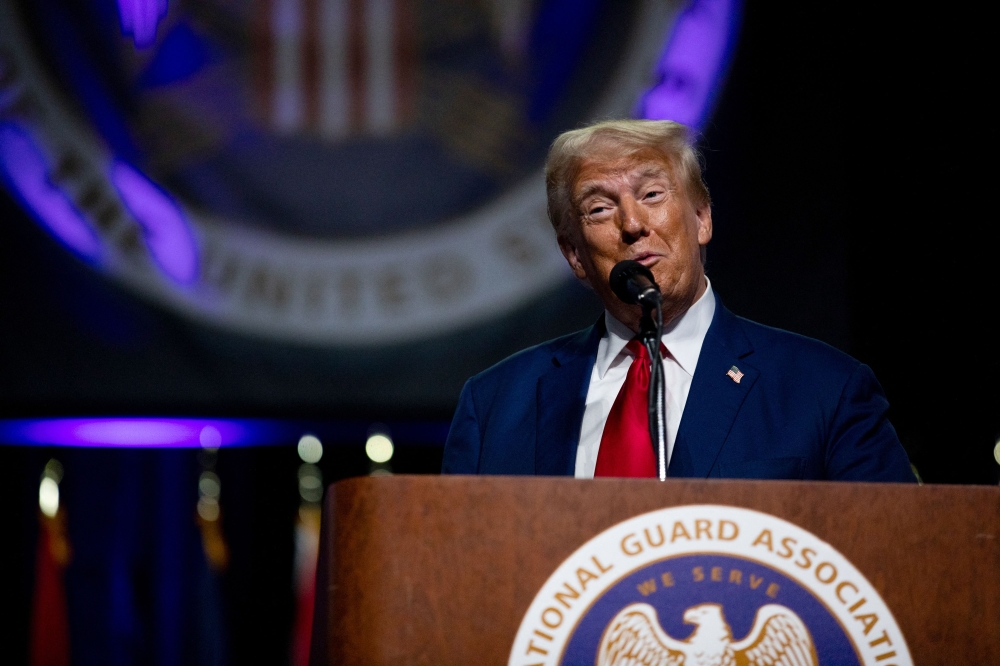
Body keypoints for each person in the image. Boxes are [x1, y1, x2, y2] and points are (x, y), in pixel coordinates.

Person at [442, 119, 915, 482]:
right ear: (574, 256)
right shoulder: (495, 406)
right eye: (600, 208)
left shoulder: (825, 389)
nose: (632, 223)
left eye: (652, 193)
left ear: (702, 218)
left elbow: (897, 563)